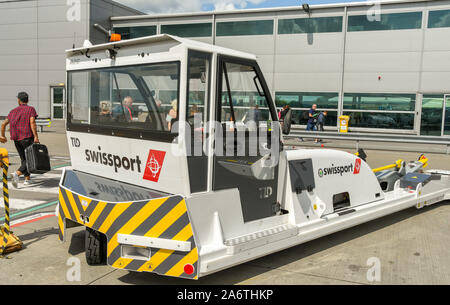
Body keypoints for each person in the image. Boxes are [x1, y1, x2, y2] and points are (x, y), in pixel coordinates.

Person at [0, 92, 39, 187]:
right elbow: (32, 122)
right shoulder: (30, 109)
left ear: (19, 100)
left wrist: (2, 136)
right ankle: (17, 174)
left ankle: (27, 179)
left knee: (24, 159)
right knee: (31, 159)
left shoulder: (13, 111)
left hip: (16, 139)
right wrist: (36, 136)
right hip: (27, 137)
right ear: (27, 100)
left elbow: (3, 124)